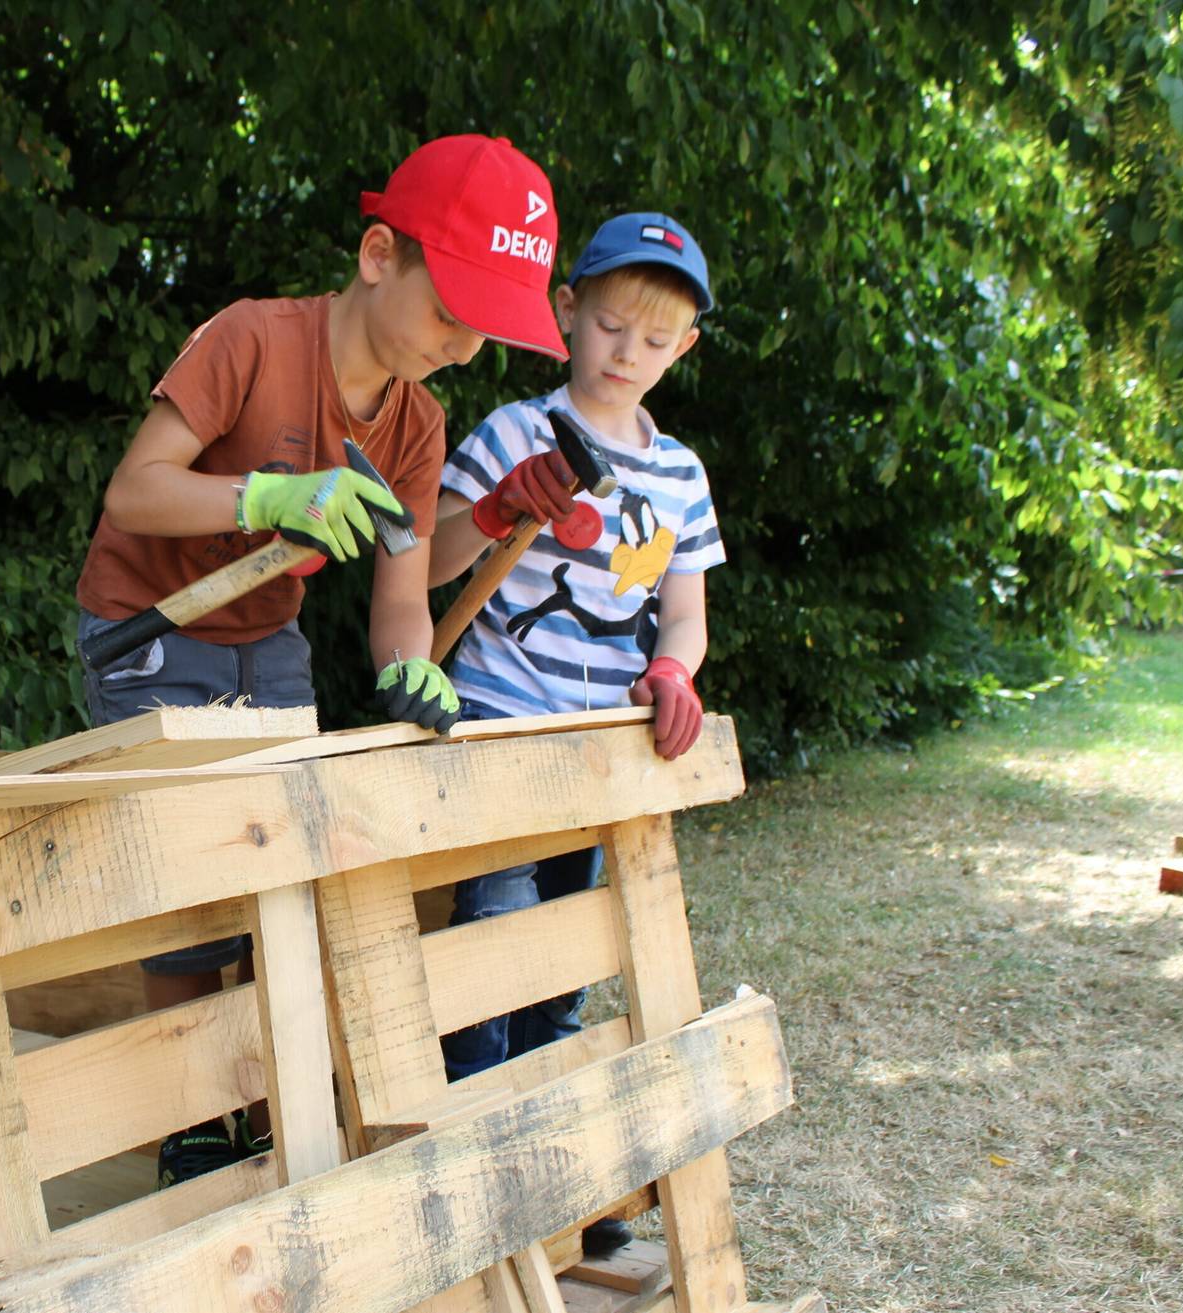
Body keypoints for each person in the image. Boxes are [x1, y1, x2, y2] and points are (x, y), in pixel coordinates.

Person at [75, 135, 570, 1187]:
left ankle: (264, 1095)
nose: (463, 345)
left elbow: (402, 596)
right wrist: (261, 496)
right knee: (190, 886)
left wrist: (410, 669)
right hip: (150, 624)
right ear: (380, 253)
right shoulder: (251, 340)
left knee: (284, 858)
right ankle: (193, 1120)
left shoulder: (418, 426)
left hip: (268, 636)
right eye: (452, 311)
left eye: (487, 330)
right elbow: (134, 493)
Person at [423, 212, 724, 1252]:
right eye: (607, 326)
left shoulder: (679, 474)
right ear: (565, 313)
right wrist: (503, 507)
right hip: (499, 730)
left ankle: (555, 1184)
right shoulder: (514, 430)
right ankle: (472, 1190)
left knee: (564, 965)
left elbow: (681, 611)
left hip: (600, 755)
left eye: (652, 339)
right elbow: (424, 570)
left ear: (681, 349)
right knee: (490, 947)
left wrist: (674, 667)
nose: (625, 353)